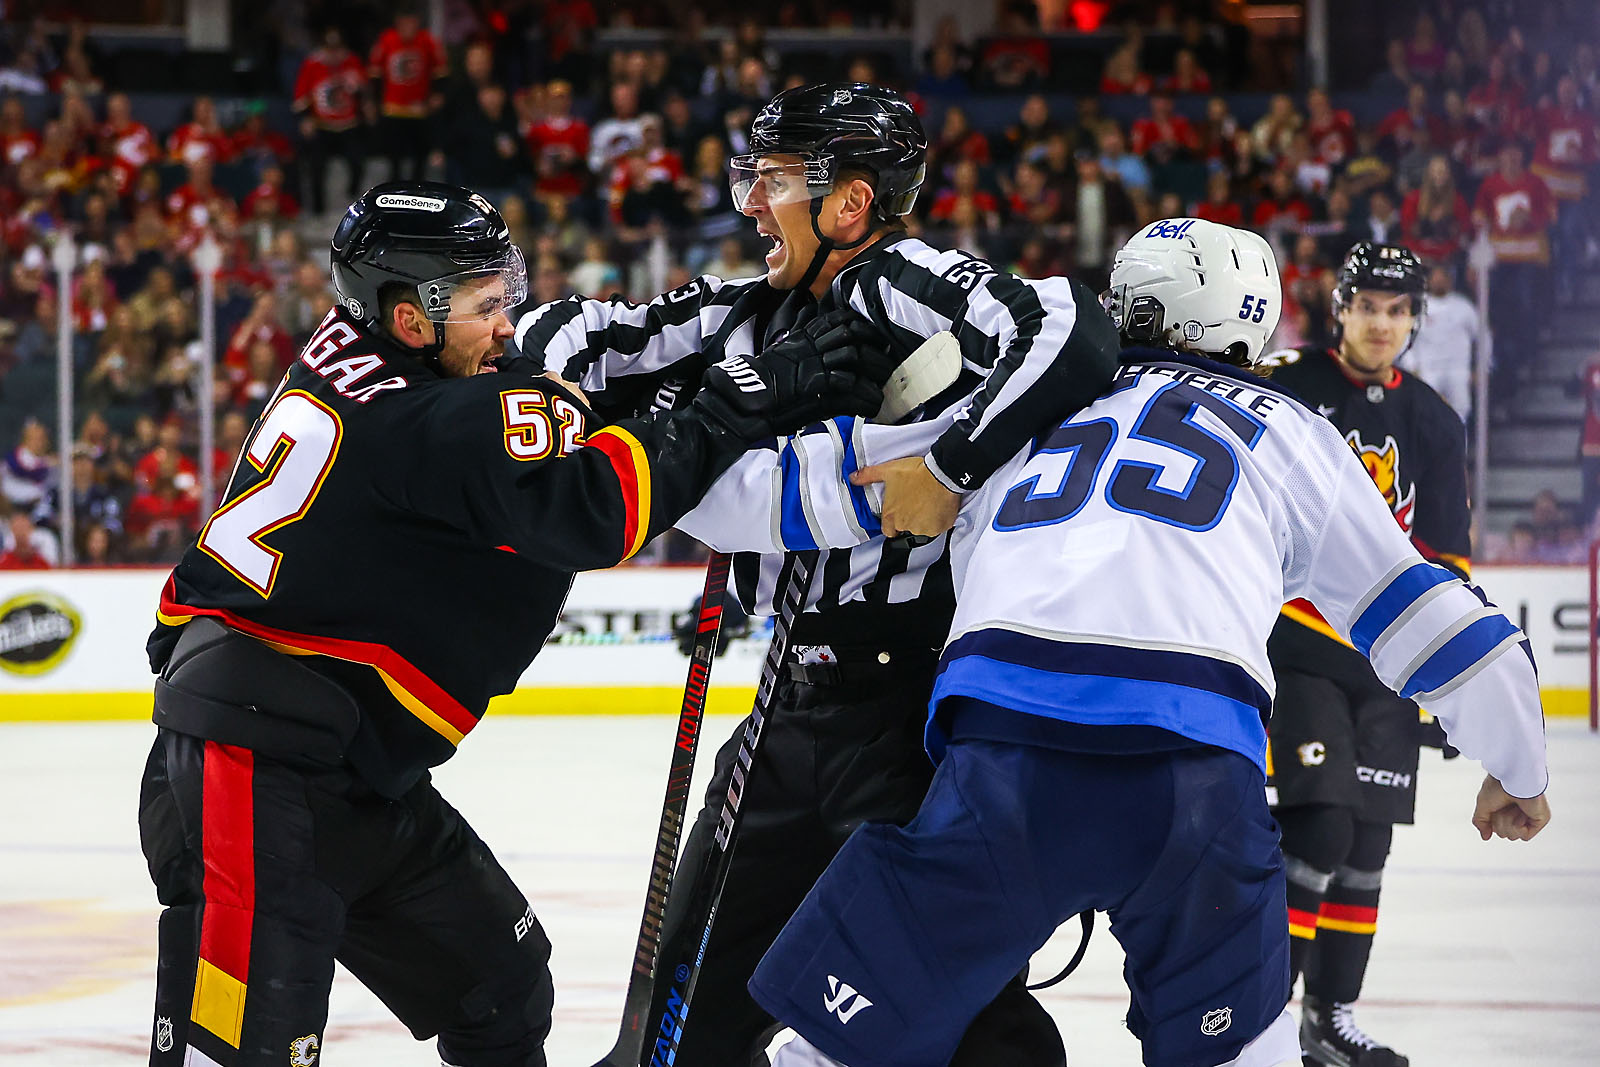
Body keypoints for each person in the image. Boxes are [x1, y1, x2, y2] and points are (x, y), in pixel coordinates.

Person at [736, 219, 1549, 1067]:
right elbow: (1430, 616)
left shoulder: (1023, 400)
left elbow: (829, 494)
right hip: (1191, 774)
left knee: (836, 1051)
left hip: (1002, 765)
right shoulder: (1292, 430)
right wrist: (1516, 762)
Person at [136, 180, 894, 1067]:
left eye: (509, 294)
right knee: (236, 1049)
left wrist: (704, 387)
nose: (507, 325)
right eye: (483, 305)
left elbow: (534, 420)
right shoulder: (434, 415)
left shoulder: (376, 359)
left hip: (344, 770)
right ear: (410, 318)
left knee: (500, 981)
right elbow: (591, 508)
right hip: (251, 774)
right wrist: (732, 407)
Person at [515, 83, 1120, 1066]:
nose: (748, 200)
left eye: (771, 179)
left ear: (848, 205)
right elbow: (556, 344)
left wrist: (945, 465)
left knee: (957, 1011)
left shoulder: (899, 277)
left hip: (911, 717)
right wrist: (727, 400)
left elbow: (1072, 329)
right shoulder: (745, 308)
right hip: (784, 715)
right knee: (683, 1008)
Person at [1259, 241, 1470, 1066]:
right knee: (1319, 825)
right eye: (1368, 306)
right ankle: (1265, 1016)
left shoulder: (1436, 421)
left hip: (1389, 667)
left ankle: (1329, 1019)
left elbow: (1447, 561)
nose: (1382, 324)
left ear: (1416, 320)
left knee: (1367, 844)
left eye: (1398, 310)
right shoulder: (1286, 386)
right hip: (1299, 646)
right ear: (1339, 308)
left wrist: (1448, 677)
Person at [1398, 262, 1480, 421]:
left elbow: (1482, 338)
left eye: (1443, 278)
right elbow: (1406, 338)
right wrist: (1411, 367)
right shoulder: (1419, 307)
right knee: (1426, 410)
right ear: (1429, 281)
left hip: (1458, 369)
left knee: (1461, 410)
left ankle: (1459, 443)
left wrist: (1481, 367)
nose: (1439, 281)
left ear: (1450, 280)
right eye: (1436, 278)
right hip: (1428, 368)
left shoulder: (1463, 306)